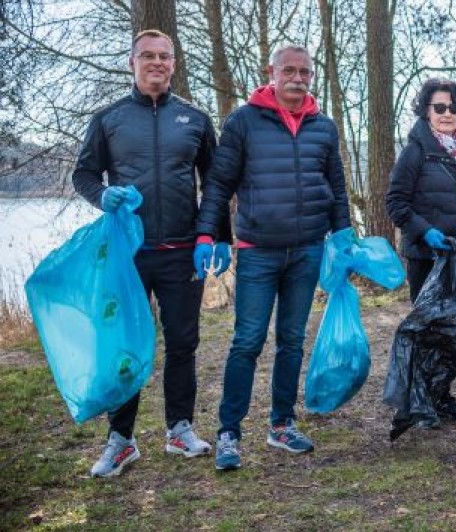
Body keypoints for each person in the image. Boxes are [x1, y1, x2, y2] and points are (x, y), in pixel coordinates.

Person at [73, 29, 231, 478]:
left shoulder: (196, 120)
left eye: (165, 56)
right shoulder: (109, 119)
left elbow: (215, 185)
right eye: (148, 56)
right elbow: (84, 175)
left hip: (183, 253)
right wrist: (104, 197)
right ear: (132, 62)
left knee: (183, 343)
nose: (157, 62)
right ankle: (121, 440)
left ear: (174, 64)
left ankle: (179, 429)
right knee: (126, 347)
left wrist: (218, 235)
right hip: (129, 254)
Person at [195, 44, 351, 471]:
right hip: (258, 251)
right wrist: (209, 234)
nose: (298, 79)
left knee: (292, 340)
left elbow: (336, 186)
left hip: (307, 250)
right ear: (272, 72)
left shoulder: (324, 126)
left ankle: (281, 424)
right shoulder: (243, 121)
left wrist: (344, 233)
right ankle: (229, 432)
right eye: (290, 71)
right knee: (247, 341)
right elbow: (219, 184)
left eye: (305, 72)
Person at [385, 78, 456, 428]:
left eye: (453, 107)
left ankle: (442, 396)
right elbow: (396, 203)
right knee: (427, 329)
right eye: (439, 107)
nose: (447, 113)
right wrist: (425, 232)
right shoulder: (415, 150)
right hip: (426, 257)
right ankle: (418, 404)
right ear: (427, 111)